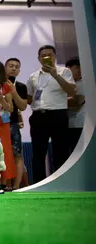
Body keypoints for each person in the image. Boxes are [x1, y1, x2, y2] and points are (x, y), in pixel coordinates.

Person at [26, 45, 76, 184]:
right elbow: (30, 98)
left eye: (49, 55)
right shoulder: (33, 76)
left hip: (58, 115)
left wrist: (55, 75)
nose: (46, 58)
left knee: (60, 151)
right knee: (38, 153)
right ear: (39, 58)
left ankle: (62, 183)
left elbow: (71, 91)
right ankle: (38, 183)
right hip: (38, 116)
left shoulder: (64, 71)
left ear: (55, 56)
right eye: (43, 55)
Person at [4, 58, 28, 190]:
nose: (14, 68)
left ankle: (17, 186)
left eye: (17, 67)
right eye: (11, 66)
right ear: (5, 68)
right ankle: (5, 184)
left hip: (12, 124)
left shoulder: (21, 86)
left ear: (19, 71)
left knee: (17, 154)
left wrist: (13, 91)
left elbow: (23, 106)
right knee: (2, 154)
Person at [66, 57, 84, 155]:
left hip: (80, 125)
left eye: (81, 67)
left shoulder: (84, 83)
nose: (79, 70)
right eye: (77, 67)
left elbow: (78, 102)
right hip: (67, 125)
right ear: (68, 68)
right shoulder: (65, 84)